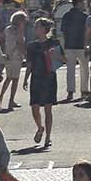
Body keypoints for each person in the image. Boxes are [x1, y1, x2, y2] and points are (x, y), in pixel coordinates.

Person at [25, 17, 60, 149]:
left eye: (37, 26)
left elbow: (64, 59)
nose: (35, 29)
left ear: (44, 29)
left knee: (48, 108)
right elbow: (29, 64)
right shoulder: (32, 46)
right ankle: (40, 127)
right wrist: (26, 78)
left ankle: (48, 138)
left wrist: (54, 55)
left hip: (49, 77)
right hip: (36, 77)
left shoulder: (54, 43)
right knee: (34, 107)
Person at [59, 0, 89, 101]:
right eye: (83, 2)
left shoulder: (66, 16)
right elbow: (87, 32)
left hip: (69, 45)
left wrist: (64, 45)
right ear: (79, 3)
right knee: (84, 69)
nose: (84, 4)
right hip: (81, 45)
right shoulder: (85, 17)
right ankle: (84, 90)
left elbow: (62, 31)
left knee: (70, 69)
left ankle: (70, 91)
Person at [0, 12, 27, 112]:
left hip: (8, 55)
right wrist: (26, 54)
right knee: (14, 79)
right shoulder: (19, 31)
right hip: (16, 56)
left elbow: (1, 40)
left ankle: (1, 98)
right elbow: (20, 43)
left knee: (9, 78)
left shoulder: (7, 29)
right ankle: (10, 100)